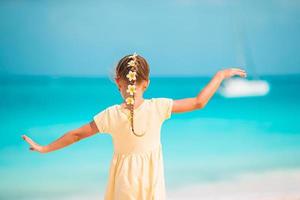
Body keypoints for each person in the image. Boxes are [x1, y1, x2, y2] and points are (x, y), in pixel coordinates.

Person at [22, 53, 246, 200]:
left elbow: (76, 135)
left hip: (123, 186)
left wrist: (45, 148)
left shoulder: (111, 115)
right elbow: (199, 102)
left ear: (119, 82)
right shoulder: (159, 107)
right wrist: (220, 76)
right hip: (152, 186)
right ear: (146, 83)